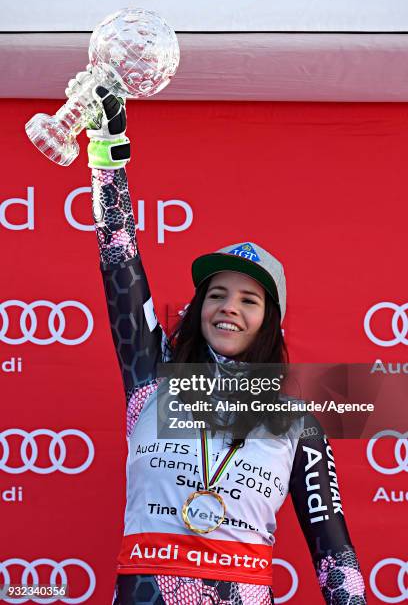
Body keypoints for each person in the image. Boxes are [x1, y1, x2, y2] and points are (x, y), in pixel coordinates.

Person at [84, 85, 367, 604]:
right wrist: (107, 154)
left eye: (248, 300)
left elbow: (333, 555)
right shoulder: (152, 376)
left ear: (270, 323)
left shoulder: (296, 420)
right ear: (199, 308)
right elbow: (119, 264)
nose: (229, 308)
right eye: (217, 294)